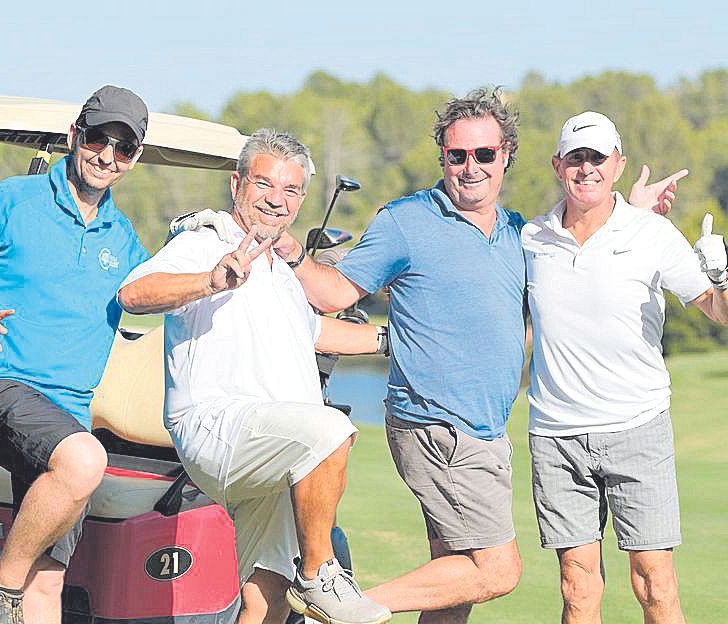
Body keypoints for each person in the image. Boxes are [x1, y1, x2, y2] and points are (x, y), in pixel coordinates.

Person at [233, 88, 686, 623]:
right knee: (497, 569)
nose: (470, 167)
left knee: (452, 580)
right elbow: (334, 293)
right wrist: (290, 253)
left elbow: (585, 249)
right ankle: (338, 605)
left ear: (506, 157)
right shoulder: (407, 220)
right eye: (457, 156)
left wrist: (630, 215)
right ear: (443, 159)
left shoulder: (522, 233)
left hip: (485, 430)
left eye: (484, 155)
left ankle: (335, 604)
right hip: (437, 426)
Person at [117, 128, 392, 624]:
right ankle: (322, 574)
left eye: (289, 190)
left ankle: (303, 579)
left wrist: (395, 342)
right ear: (237, 184)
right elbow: (135, 293)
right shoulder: (207, 241)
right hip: (219, 424)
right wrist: (211, 279)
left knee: (267, 591)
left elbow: (316, 333)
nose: (276, 200)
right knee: (330, 430)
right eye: (264, 184)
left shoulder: (280, 270)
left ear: (302, 197)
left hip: (273, 444)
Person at [522, 111, 728, 624]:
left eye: (598, 157)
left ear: (618, 164)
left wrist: (721, 275)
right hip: (556, 437)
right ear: (557, 165)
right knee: (577, 587)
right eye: (576, 157)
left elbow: (718, 312)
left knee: (655, 583)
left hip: (637, 428)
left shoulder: (653, 233)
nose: (586, 167)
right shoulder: (531, 240)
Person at [0, 85, 150, 624]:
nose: (107, 156)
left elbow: (159, 292)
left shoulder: (124, 235)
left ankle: (7, 588)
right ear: (75, 136)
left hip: (66, 411)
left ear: (133, 160)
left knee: (47, 583)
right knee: (85, 458)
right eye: (97, 138)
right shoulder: (12, 201)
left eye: (124, 148)